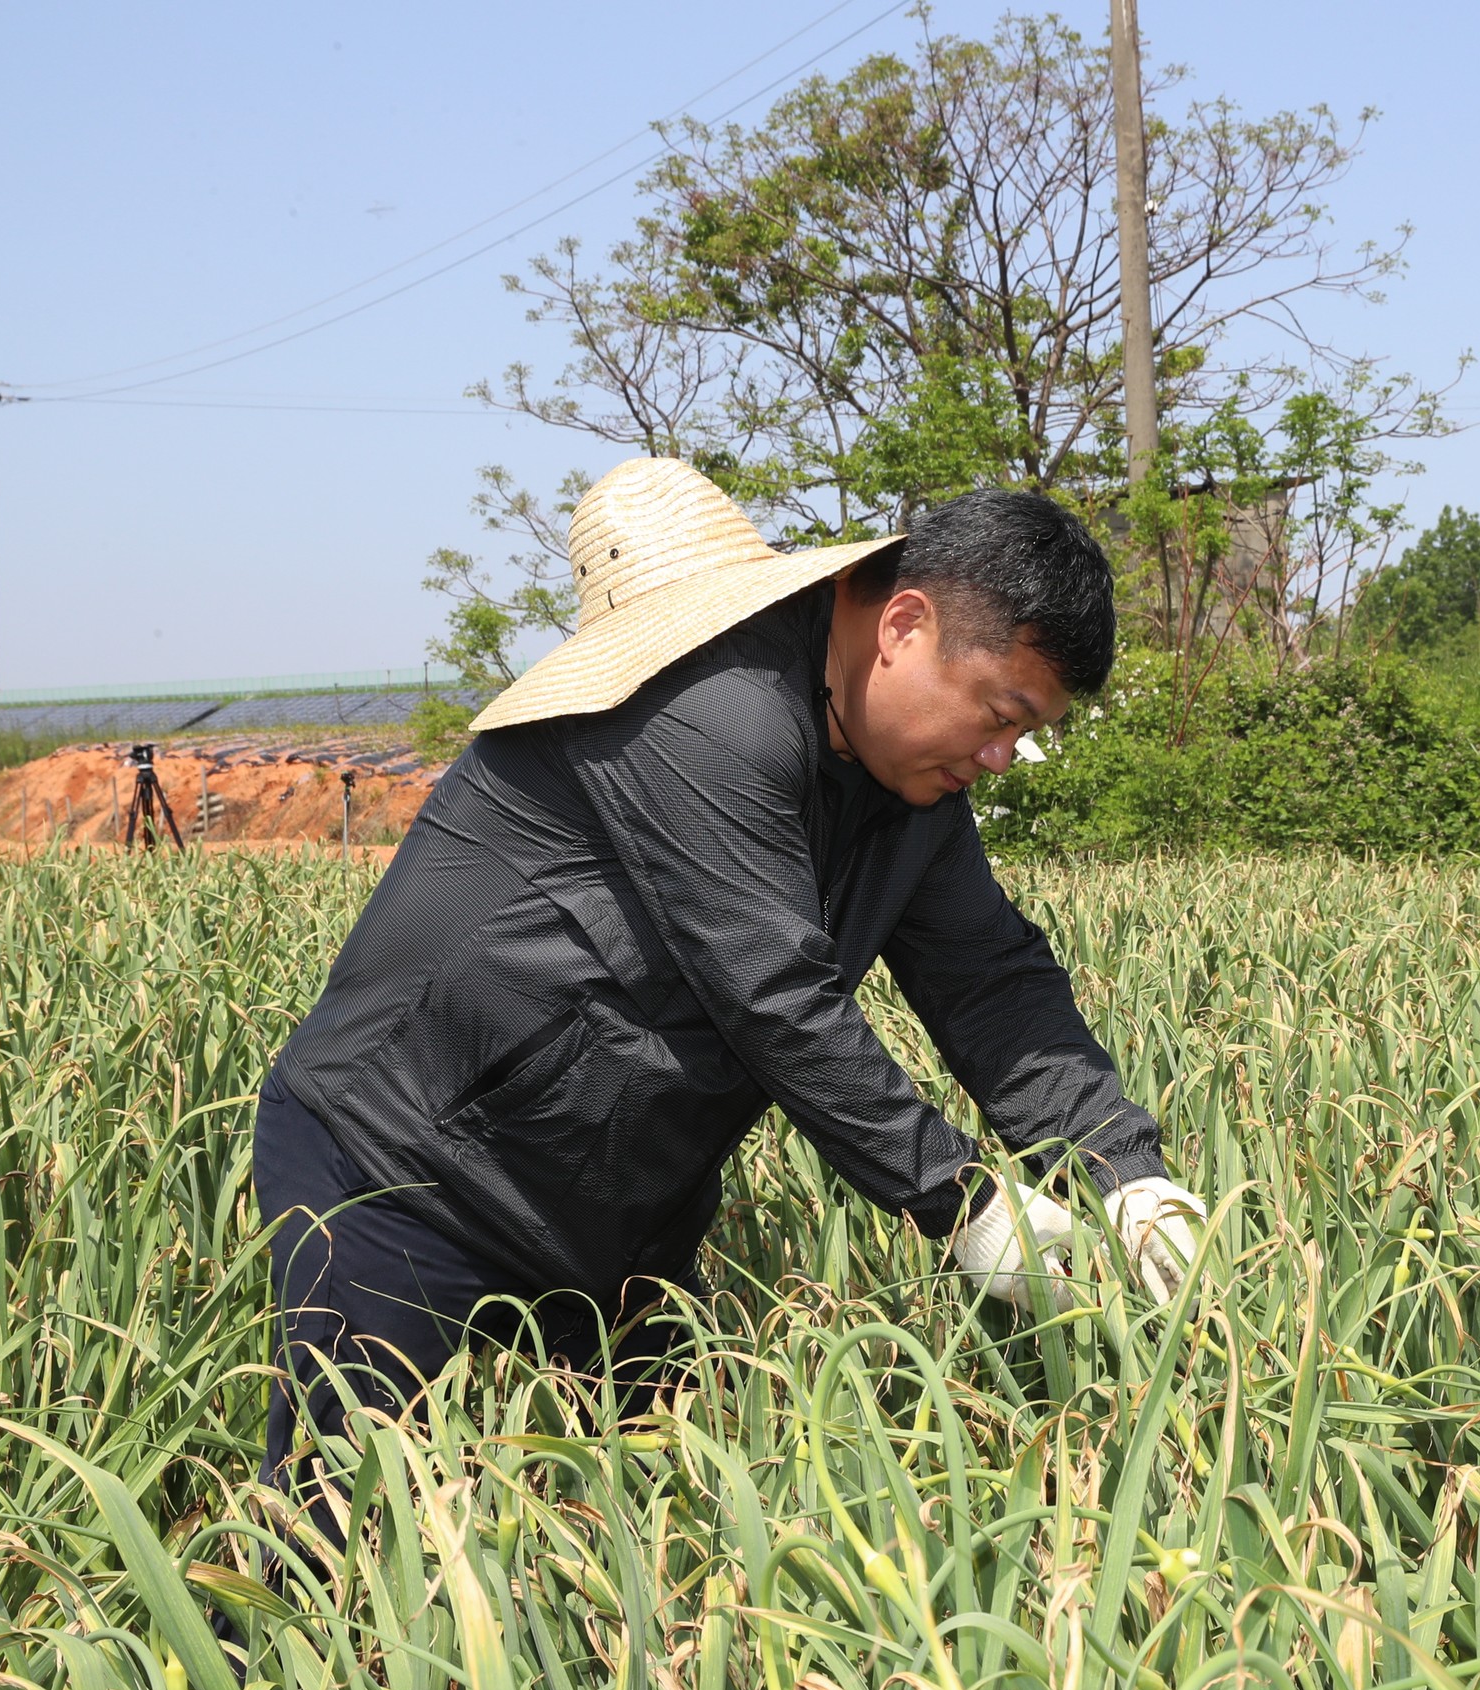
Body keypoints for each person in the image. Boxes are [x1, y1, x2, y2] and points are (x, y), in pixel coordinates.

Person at [255, 458, 1206, 1518]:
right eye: (1000, 711)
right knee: (339, 1527)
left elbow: (991, 980)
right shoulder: (712, 710)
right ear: (903, 625)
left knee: (678, 1521)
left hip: (616, 1208)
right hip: (404, 1169)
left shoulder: (910, 787)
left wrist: (1125, 1171)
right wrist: (971, 1208)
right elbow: (777, 1001)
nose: (1004, 752)